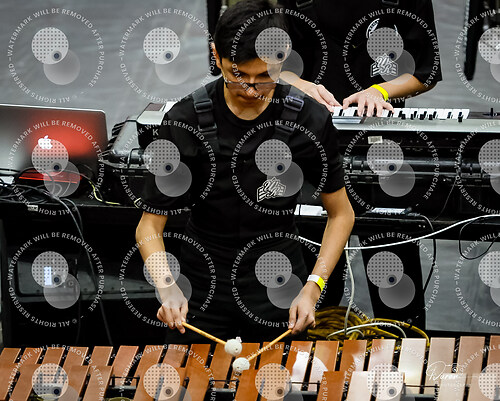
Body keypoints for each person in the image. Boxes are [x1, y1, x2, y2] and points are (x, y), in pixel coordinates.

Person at [135, 0, 354, 343]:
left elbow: (341, 214)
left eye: (265, 76)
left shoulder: (310, 120)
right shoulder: (184, 120)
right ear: (216, 55)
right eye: (238, 75)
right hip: (201, 286)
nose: (251, 89)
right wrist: (167, 286)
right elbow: (149, 224)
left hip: (280, 285)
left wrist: (313, 287)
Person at [278, 0, 443, 116]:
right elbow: (272, 69)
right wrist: (302, 87)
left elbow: (425, 74)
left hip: (380, 127)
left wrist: (380, 91)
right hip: (308, 124)